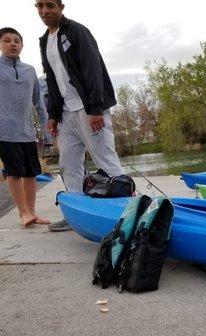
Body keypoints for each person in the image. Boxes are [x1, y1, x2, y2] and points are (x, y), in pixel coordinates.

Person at [35, 0, 125, 231]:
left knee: (105, 158)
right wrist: (53, 114)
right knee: (68, 164)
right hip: (66, 114)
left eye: (50, 5)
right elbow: (52, 80)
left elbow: (92, 68)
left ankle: (126, 212)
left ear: (61, 7)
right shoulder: (45, 40)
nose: (45, 11)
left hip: (89, 111)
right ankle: (75, 213)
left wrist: (95, 108)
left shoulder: (77, 31)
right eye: (40, 6)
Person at [0, 27, 50, 227]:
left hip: (28, 131)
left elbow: (39, 102)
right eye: (7, 40)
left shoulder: (30, 70)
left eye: (16, 41)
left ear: (21, 45)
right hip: (4, 131)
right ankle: (23, 213)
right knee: (14, 172)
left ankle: (33, 213)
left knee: (31, 173)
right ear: (1, 44)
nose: (12, 44)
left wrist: (45, 129)